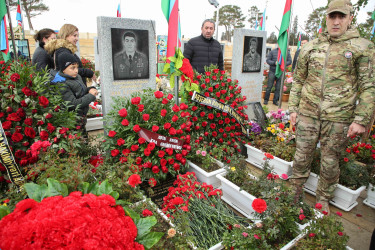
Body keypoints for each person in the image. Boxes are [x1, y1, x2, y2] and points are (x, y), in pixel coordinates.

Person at [288, 0, 375, 215]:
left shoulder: (362, 47)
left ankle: (323, 199)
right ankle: (293, 193)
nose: (336, 22)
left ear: (350, 18)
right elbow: (298, 80)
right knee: (301, 156)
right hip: (307, 113)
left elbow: (368, 86)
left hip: (339, 117)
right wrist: (292, 109)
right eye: (332, 17)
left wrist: (361, 120)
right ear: (326, 18)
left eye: (341, 17)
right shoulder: (311, 46)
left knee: (329, 161)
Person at [51, 53, 98, 135]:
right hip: (72, 120)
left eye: (77, 67)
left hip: (81, 117)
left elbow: (81, 91)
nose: (76, 70)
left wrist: (90, 89)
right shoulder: (61, 83)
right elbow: (73, 103)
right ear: (63, 69)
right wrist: (90, 96)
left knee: (84, 138)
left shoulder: (76, 77)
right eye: (72, 68)